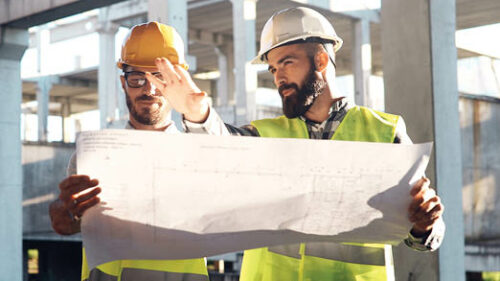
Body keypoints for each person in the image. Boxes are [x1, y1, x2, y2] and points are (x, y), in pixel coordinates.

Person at [149, 7, 445, 281]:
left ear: (321, 60)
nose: (279, 78)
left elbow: (425, 234)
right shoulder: (264, 136)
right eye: (274, 69)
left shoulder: (384, 133)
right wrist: (196, 112)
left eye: (287, 63)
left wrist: (424, 225)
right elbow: (222, 151)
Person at [48, 21, 226, 281]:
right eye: (137, 79)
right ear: (123, 83)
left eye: (160, 77)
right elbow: (75, 218)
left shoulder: (200, 154)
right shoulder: (94, 157)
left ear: (176, 81)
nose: (149, 89)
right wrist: (66, 214)